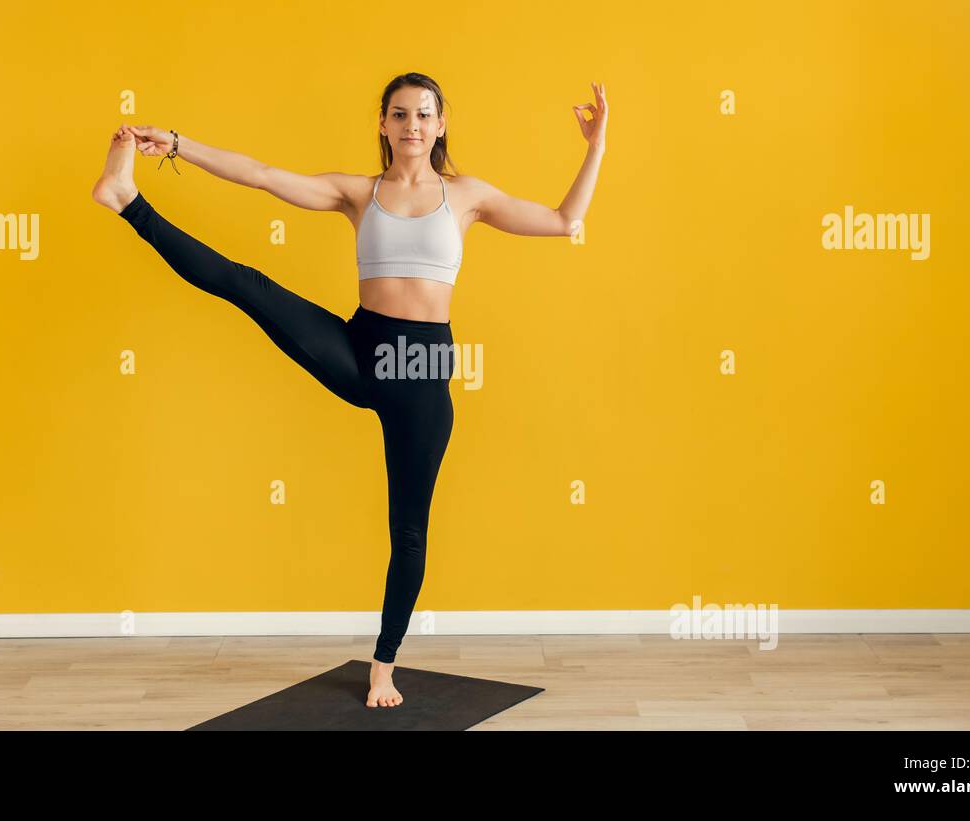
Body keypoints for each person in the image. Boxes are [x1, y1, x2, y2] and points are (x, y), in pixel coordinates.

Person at [91, 73, 607, 708]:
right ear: (384, 126)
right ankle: (126, 199)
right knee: (248, 286)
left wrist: (596, 142)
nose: (412, 124)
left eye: (424, 114)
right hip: (360, 351)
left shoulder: (467, 196)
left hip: (419, 377)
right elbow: (258, 173)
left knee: (409, 532)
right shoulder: (358, 193)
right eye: (399, 114)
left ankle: (384, 663)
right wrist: (174, 143)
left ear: (441, 125)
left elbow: (564, 220)